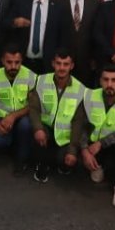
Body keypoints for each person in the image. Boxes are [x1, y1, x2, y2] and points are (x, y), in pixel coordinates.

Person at [75, 64, 115, 207]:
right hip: (93, 146)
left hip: (114, 146)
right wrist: (85, 149)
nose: (109, 84)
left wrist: (101, 143)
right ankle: (99, 166)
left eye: (114, 80)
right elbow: (81, 125)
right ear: (100, 81)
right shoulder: (89, 96)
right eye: (106, 79)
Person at [0, 46, 37, 175]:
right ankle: (14, 143)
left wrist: (14, 116)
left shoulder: (31, 76)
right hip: (1, 119)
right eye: (9, 62)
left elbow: (34, 106)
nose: (13, 66)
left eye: (17, 62)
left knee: (25, 126)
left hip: (23, 116)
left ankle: (21, 161)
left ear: (22, 61)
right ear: (3, 61)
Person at [28, 49, 85, 183]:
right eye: (58, 63)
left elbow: (78, 122)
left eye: (66, 64)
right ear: (53, 64)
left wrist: (72, 150)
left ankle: (56, 159)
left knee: (64, 161)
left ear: (72, 66)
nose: (61, 68)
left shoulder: (81, 89)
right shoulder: (41, 80)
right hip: (45, 129)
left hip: (64, 134)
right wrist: (38, 128)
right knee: (34, 134)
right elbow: (34, 108)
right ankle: (41, 163)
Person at [50, 0, 99, 84]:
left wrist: (94, 57)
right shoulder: (56, 1)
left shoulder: (95, 2)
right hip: (62, 61)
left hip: (86, 60)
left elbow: (96, 32)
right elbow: (52, 32)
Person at [14, 0, 54, 72]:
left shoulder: (58, 7)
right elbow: (5, 22)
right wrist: (15, 22)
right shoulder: (21, 2)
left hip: (47, 64)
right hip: (23, 61)